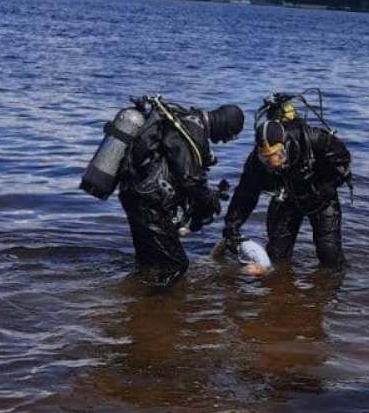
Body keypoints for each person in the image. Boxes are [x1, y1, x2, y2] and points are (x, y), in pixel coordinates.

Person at [117, 96, 244, 286]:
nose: (227, 140)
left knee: (148, 262)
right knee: (176, 265)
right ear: (225, 124)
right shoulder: (194, 131)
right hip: (149, 204)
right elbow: (188, 179)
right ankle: (158, 302)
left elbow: (180, 172)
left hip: (133, 193)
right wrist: (208, 200)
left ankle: (135, 298)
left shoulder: (186, 121)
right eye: (231, 134)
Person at [222, 94, 351, 270]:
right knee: (277, 255)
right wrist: (232, 226)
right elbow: (245, 194)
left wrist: (328, 186)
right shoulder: (255, 163)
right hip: (287, 197)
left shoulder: (312, 139)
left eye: (277, 155)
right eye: (266, 157)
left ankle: (335, 284)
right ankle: (281, 285)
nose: (273, 162)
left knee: (329, 254)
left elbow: (343, 159)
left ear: (285, 144)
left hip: (320, 195)